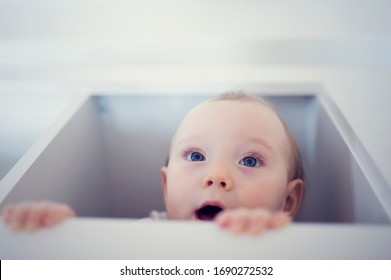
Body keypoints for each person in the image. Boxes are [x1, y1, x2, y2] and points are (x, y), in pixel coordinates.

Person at [1, 91, 305, 235]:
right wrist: (56, 239)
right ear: (166, 184)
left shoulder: (292, 253)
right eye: (196, 156)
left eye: (249, 160)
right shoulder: (144, 236)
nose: (216, 176)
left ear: (288, 202)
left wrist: (266, 252)